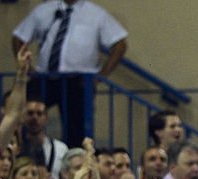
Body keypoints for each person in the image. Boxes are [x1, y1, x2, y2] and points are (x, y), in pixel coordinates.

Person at [12, 0, 127, 148]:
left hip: (78, 81)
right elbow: (18, 37)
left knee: (76, 130)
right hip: (44, 78)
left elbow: (120, 44)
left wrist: (100, 77)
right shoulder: (44, 10)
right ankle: (23, 150)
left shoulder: (97, 14)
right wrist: (27, 68)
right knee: (24, 114)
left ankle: (74, 162)